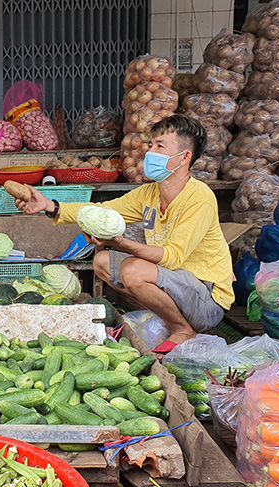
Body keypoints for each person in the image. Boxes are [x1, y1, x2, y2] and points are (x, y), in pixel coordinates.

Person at [14, 115, 233, 353]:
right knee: (102, 262)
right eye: (151, 145)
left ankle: (183, 329)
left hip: (207, 298)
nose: (151, 152)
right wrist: (50, 206)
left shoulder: (199, 198)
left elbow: (172, 257)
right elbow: (102, 210)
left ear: (184, 157)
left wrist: (120, 243)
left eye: (160, 146)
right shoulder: (149, 193)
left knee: (132, 270)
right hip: (178, 285)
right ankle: (166, 312)